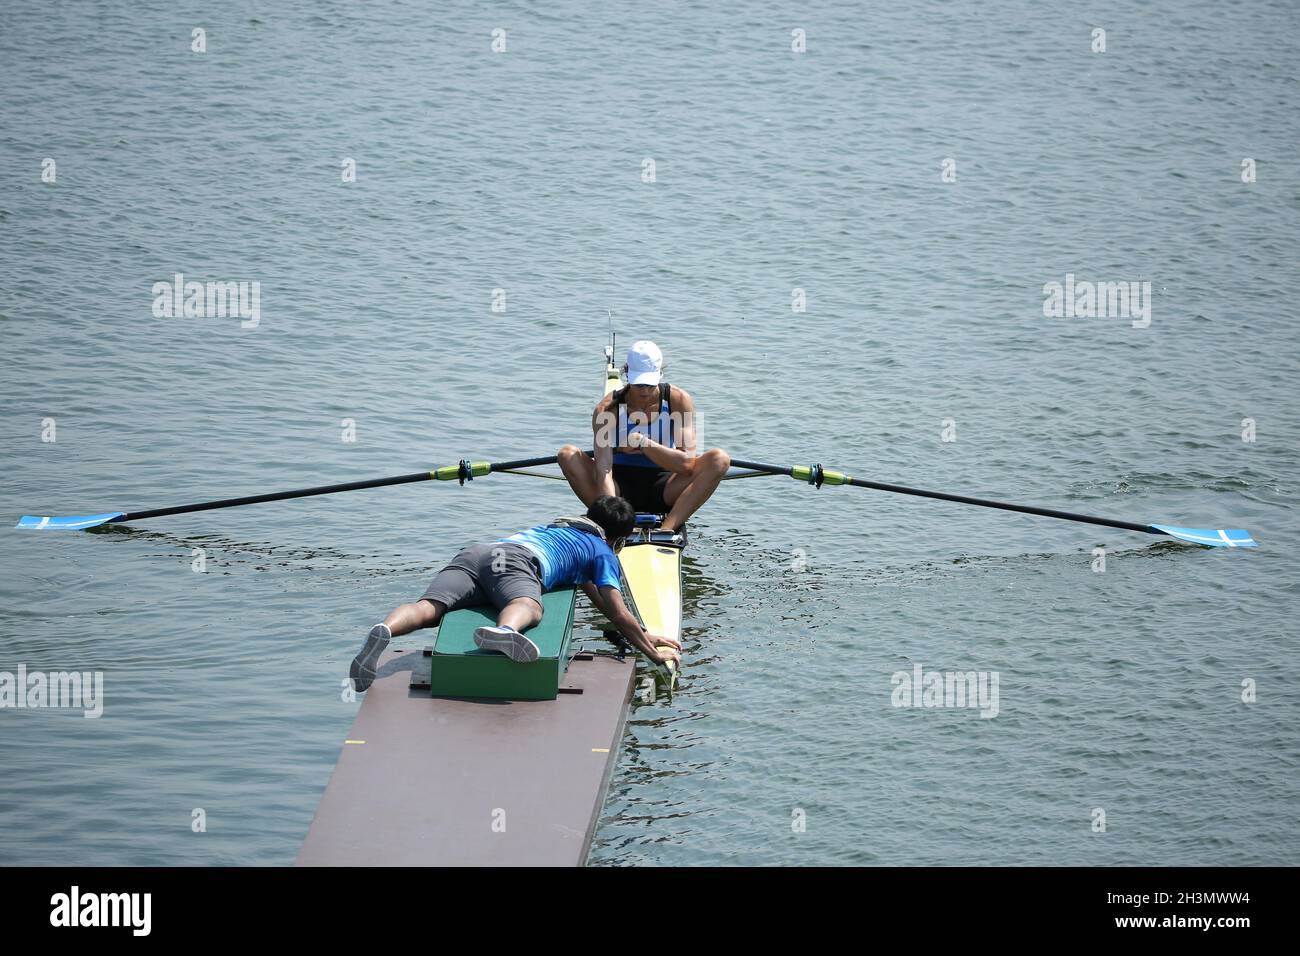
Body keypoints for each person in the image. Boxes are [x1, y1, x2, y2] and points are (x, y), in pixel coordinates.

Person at [349, 495, 679, 692]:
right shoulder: (602, 551)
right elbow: (618, 612)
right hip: (519, 563)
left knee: (428, 608)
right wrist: (652, 655)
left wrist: (647, 635)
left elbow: (597, 597)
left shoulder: (558, 528)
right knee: (529, 606)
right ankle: (505, 631)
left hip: (481, 552)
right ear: (615, 539)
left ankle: (386, 629)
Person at [558, 340, 730, 533]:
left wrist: (643, 443)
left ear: (660, 374)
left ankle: (667, 529)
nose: (645, 391)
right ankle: (609, 523)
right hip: (619, 485)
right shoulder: (607, 409)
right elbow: (603, 469)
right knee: (567, 455)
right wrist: (612, 513)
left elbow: (686, 464)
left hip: (666, 485)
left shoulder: (679, 400)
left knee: (719, 459)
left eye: (650, 383)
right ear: (628, 374)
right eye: (639, 384)